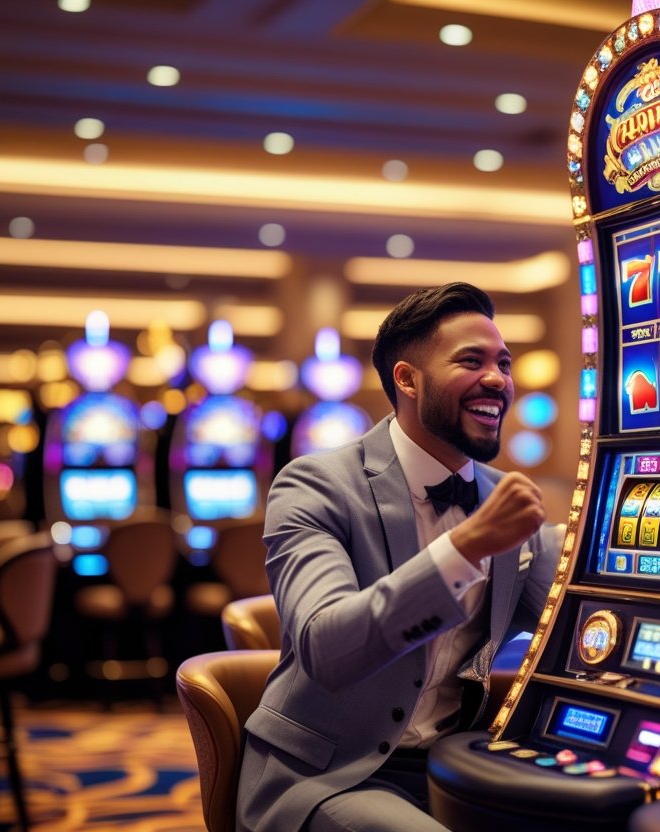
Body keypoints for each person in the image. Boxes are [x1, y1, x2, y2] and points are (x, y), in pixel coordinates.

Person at [237, 282, 563, 831]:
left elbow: (579, 605)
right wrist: (468, 545)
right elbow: (327, 647)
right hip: (327, 773)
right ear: (407, 379)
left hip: (454, 764)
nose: (497, 379)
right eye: (471, 360)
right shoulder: (315, 485)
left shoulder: (500, 494)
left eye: (503, 363)